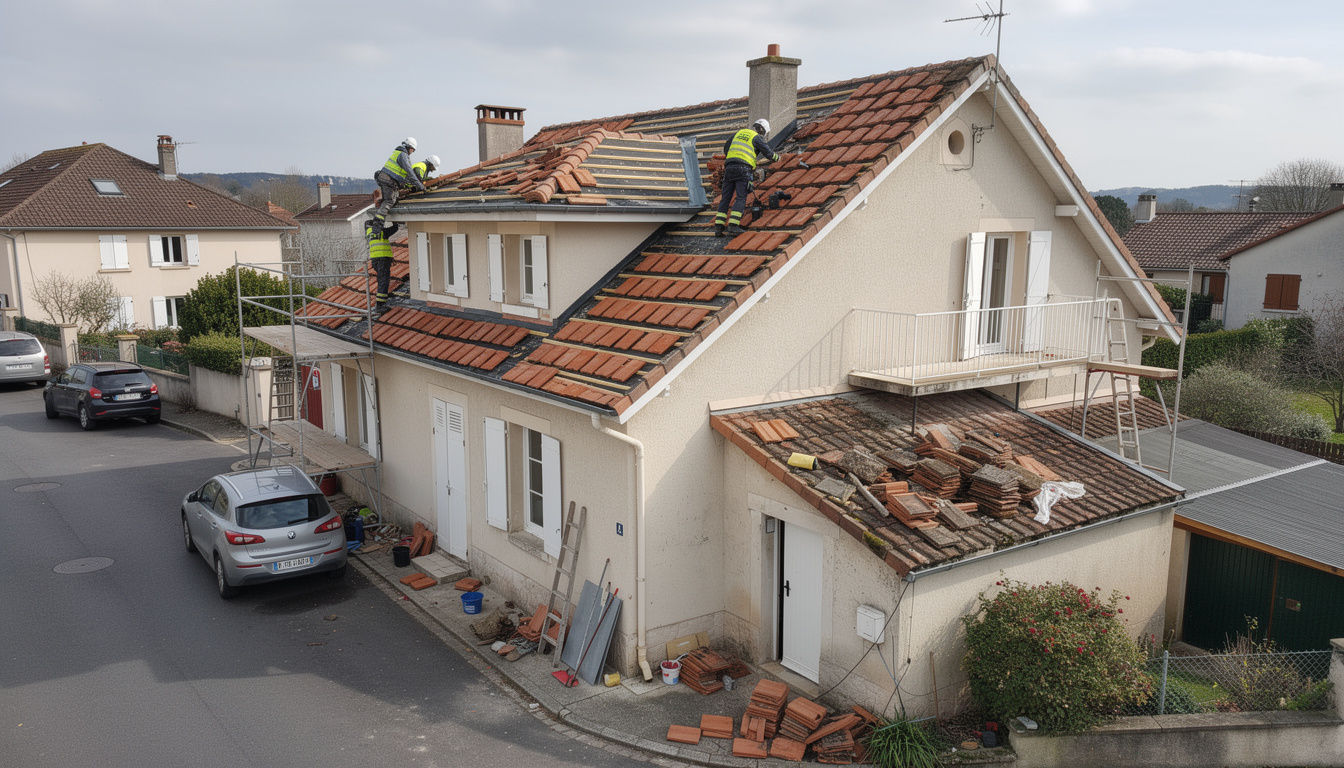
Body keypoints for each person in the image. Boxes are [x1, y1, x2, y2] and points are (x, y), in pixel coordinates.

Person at [713, 118, 779, 237]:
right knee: (741, 197)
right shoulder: (756, 137)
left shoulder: (738, 134)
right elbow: (769, 154)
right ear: (763, 130)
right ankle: (733, 226)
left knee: (725, 198)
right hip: (743, 169)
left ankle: (718, 228)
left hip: (729, 167)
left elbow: (726, 147)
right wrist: (778, 158)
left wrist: (733, 157)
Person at [372, 137, 424, 223]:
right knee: (389, 201)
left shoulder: (398, 152)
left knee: (392, 197)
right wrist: (420, 186)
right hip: (388, 180)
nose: (413, 152)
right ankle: (378, 222)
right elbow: (409, 172)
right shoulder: (403, 155)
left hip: (384, 177)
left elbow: (404, 175)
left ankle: (386, 218)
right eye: (413, 149)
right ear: (409, 147)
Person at [364, 218, 399, 315]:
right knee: (384, 280)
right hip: (382, 259)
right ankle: (380, 305)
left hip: (375, 260)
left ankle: (382, 297)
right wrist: (394, 218)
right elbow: (395, 228)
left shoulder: (368, 234)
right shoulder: (382, 232)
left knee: (381, 279)